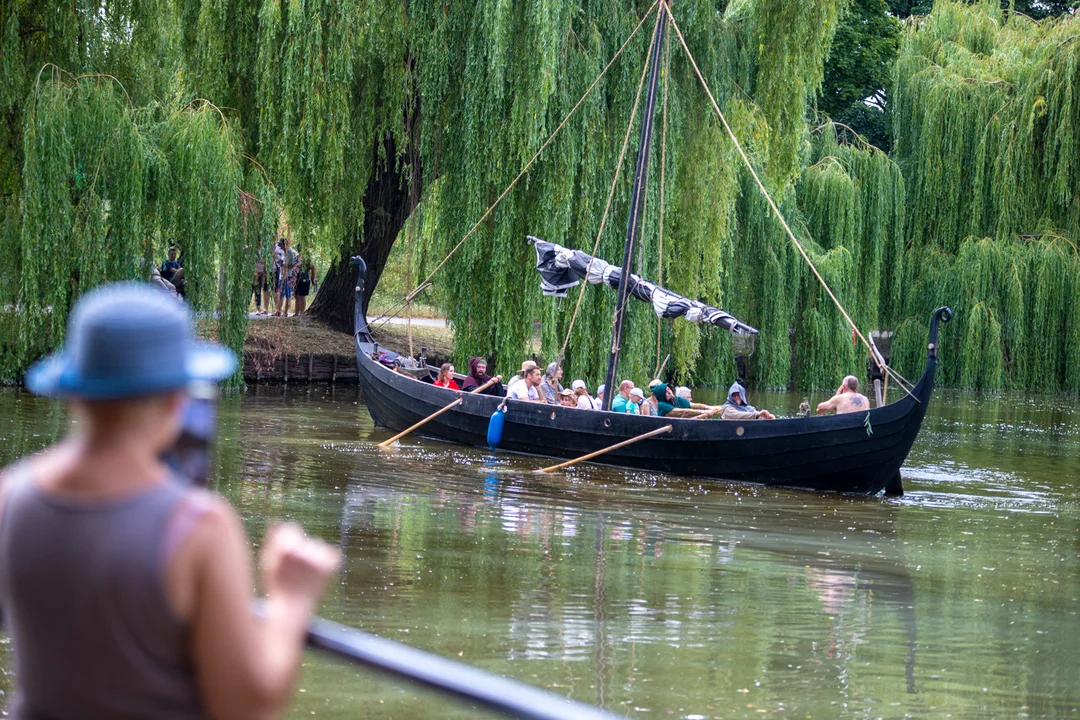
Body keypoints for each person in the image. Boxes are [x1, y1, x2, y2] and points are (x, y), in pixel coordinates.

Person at [0, 283, 340, 719]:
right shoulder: (199, 527)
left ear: (73, 392)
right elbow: (246, 705)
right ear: (178, 400)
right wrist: (292, 598)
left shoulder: (10, 496)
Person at [293, 251, 315, 316]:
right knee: (297, 296)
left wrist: (313, 278)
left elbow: (313, 268)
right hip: (297, 280)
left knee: (302, 297)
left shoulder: (307, 261)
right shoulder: (298, 258)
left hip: (304, 280)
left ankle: (301, 313)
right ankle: (296, 313)